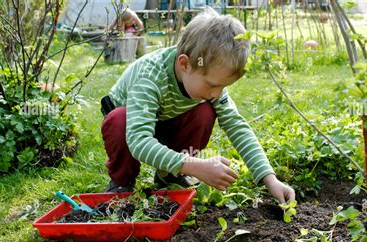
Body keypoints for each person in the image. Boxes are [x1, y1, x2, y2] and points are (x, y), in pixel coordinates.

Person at [100, 8, 295, 204]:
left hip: (167, 121)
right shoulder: (150, 78)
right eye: (213, 85)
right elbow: (139, 141)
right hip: (132, 126)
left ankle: (169, 175)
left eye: (223, 86)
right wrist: (195, 166)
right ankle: (122, 183)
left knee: (205, 111)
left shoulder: (206, 75)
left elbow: (237, 126)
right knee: (119, 120)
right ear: (185, 64)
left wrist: (269, 178)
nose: (217, 93)